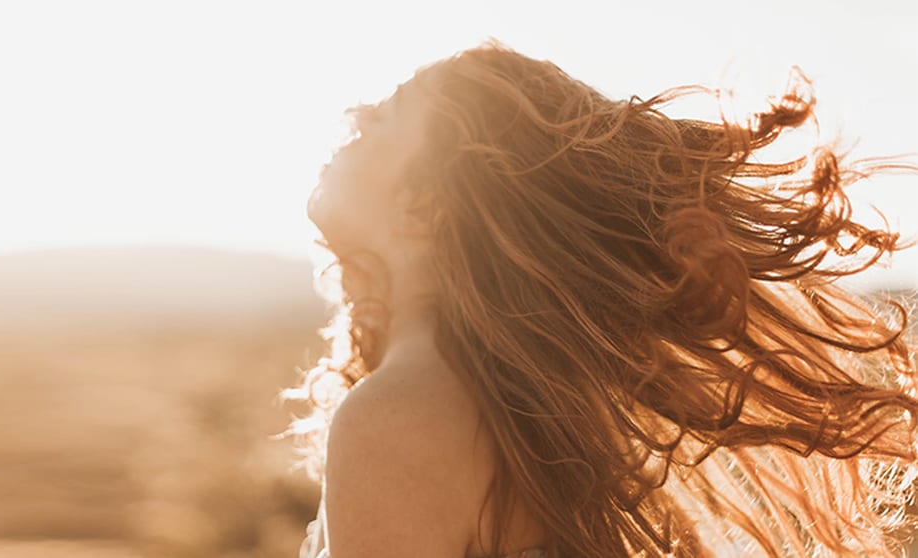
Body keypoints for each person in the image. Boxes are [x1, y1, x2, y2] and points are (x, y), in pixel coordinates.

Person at [279, 38, 918, 558]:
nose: (350, 122)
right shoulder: (492, 397)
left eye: (378, 121)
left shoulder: (396, 415)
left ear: (424, 202)